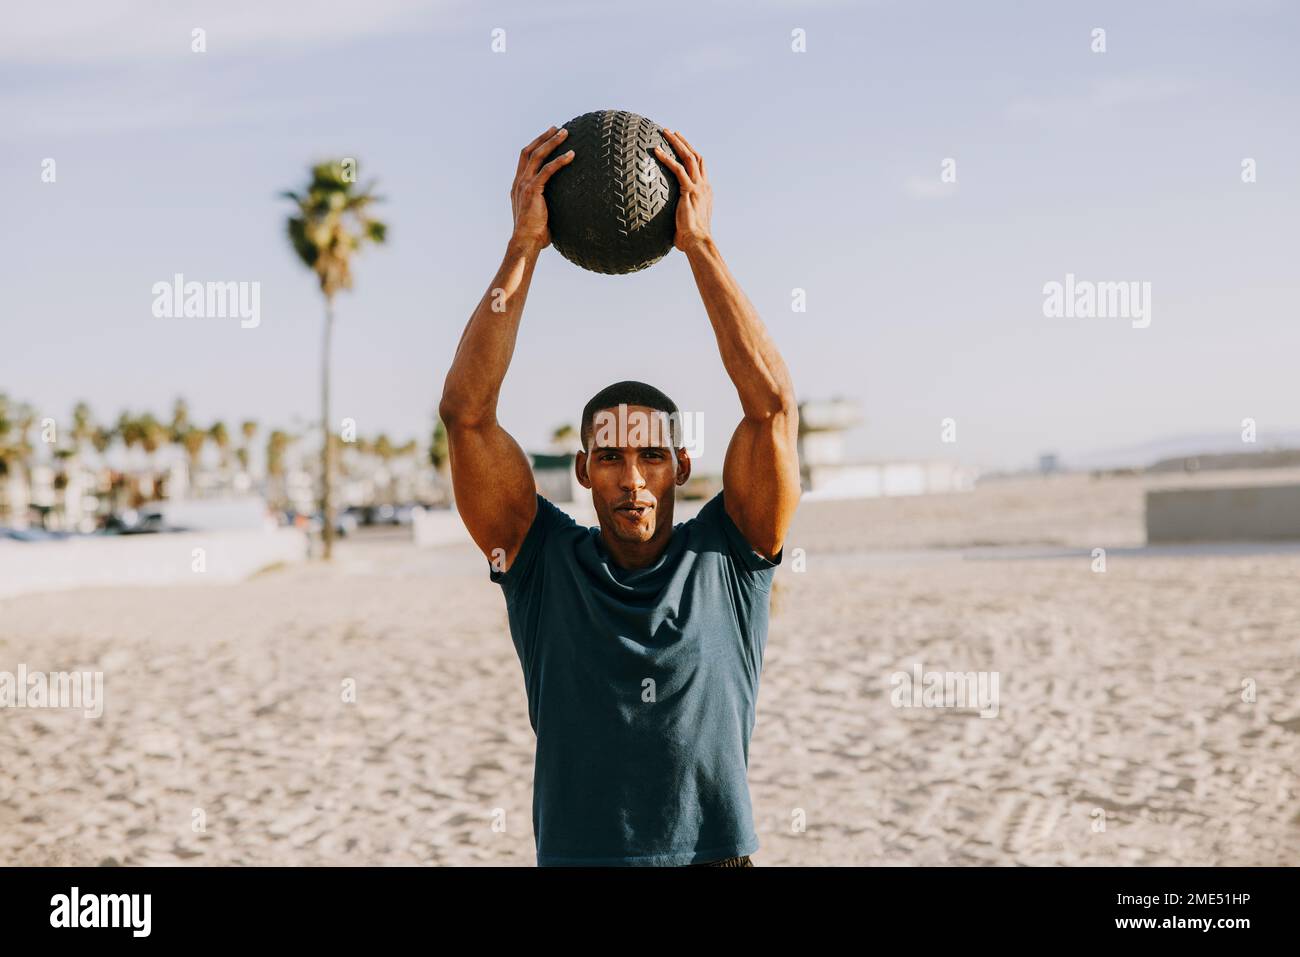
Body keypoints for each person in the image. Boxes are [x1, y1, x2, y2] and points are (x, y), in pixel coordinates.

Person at [438, 125, 800, 866]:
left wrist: (701, 248)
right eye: (609, 457)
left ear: (682, 464)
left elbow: (771, 409)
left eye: (649, 456)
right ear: (580, 469)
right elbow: (467, 415)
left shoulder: (732, 553)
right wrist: (524, 248)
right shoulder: (543, 563)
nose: (631, 477)